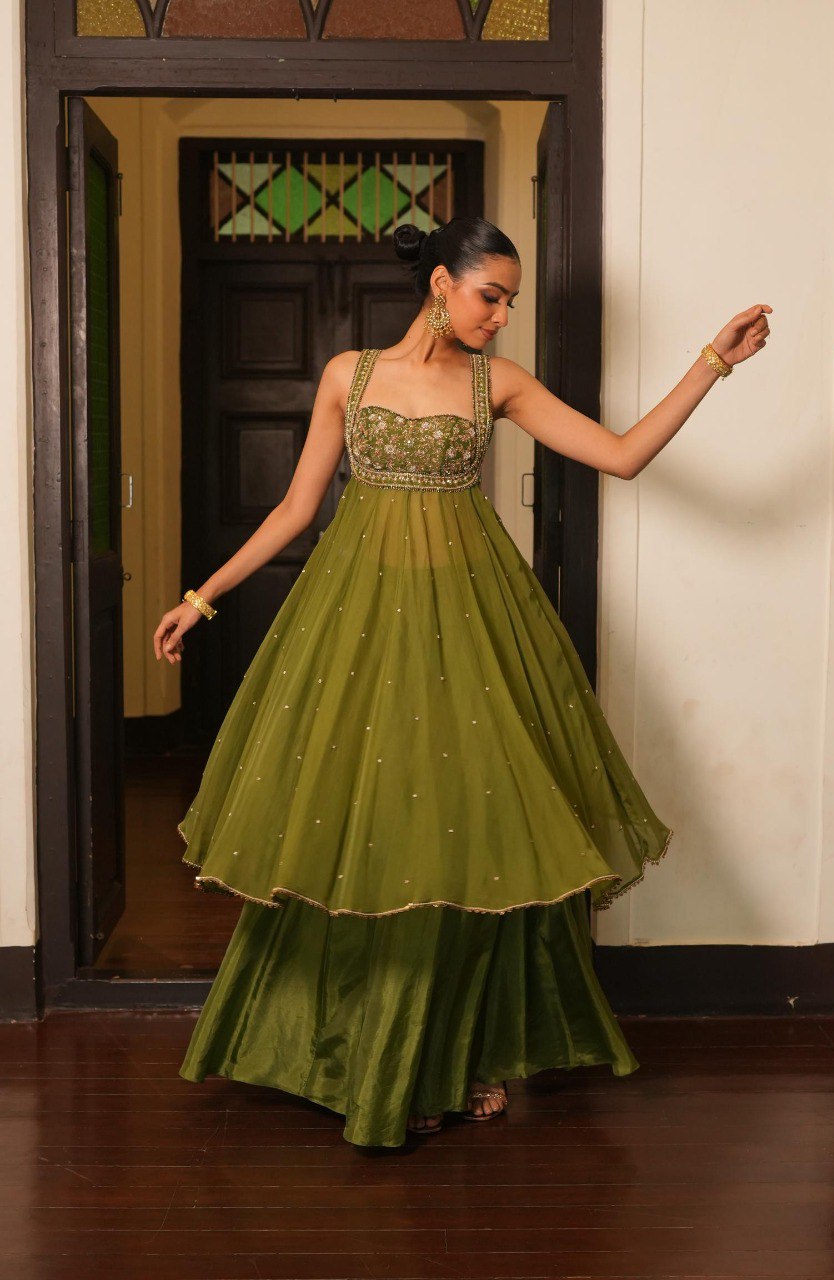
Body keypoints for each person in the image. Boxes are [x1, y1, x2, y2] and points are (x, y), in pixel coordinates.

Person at [153, 216, 772, 1146]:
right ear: (441, 282)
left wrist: (711, 364)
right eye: (491, 296)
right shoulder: (348, 374)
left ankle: (455, 1054)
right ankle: (351, 1052)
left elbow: (621, 456)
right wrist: (201, 599)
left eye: (511, 301)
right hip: (359, 628)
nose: (501, 316)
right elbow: (294, 509)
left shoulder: (499, 384)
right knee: (361, 828)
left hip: (471, 630)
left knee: (465, 833)